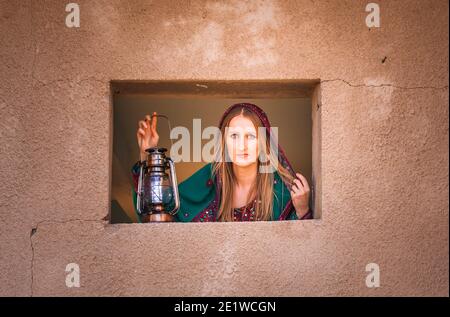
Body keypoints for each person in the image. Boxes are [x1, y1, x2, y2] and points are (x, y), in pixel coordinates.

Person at [131, 103, 313, 222]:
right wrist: (146, 155)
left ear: (263, 143)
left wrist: (303, 210)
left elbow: (301, 250)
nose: (242, 145)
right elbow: (159, 215)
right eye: (234, 136)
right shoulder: (210, 178)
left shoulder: (282, 191)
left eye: (250, 136)